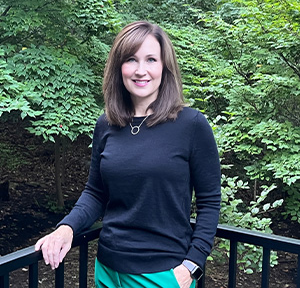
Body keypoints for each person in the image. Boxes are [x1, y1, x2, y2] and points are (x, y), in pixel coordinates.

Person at [35, 21, 221, 288]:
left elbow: (210, 201)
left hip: (163, 275)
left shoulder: (191, 125)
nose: (141, 70)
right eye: (131, 59)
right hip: (108, 270)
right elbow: (96, 192)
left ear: (164, 67)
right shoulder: (107, 124)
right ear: (118, 67)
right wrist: (67, 227)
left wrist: (191, 265)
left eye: (151, 59)